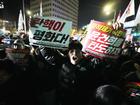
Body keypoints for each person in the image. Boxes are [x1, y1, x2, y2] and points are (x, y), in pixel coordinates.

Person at [57, 40, 98, 105]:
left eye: (78, 51)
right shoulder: (62, 62)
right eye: (71, 51)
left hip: (82, 100)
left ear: (82, 53)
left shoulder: (90, 64)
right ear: (67, 54)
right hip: (65, 98)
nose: (75, 54)